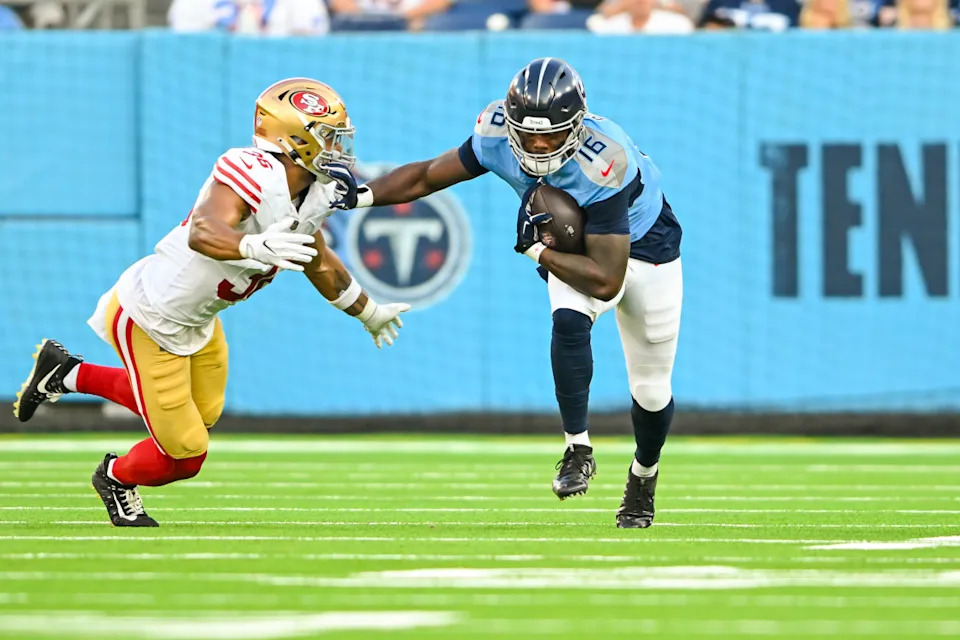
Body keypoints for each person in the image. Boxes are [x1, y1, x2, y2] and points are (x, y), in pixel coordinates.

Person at [12, 78, 409, 527]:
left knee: (204, 415)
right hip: (151, 315)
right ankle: (116, 477)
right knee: (185, 454)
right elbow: (205, 230)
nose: (338, 147)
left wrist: (369, 312)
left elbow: (319, 261)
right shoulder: (250, 169)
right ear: (293, 137)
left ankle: (67, 374)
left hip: (200, 320)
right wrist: (251, 247)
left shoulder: (316, 190)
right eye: (328, 136)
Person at [329, 58, 682, 529]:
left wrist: (537, 251)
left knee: (652, 390)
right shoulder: (495, 134)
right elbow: (427, 176)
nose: (538, 145)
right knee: (568, 322)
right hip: (577, 247)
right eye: (529, 134)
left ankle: (643, 478)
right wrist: (359, 194)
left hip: (643, 248)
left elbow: (606, 280)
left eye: (552, 135)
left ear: (576, 126)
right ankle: (578, 448)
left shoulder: (605, 160)